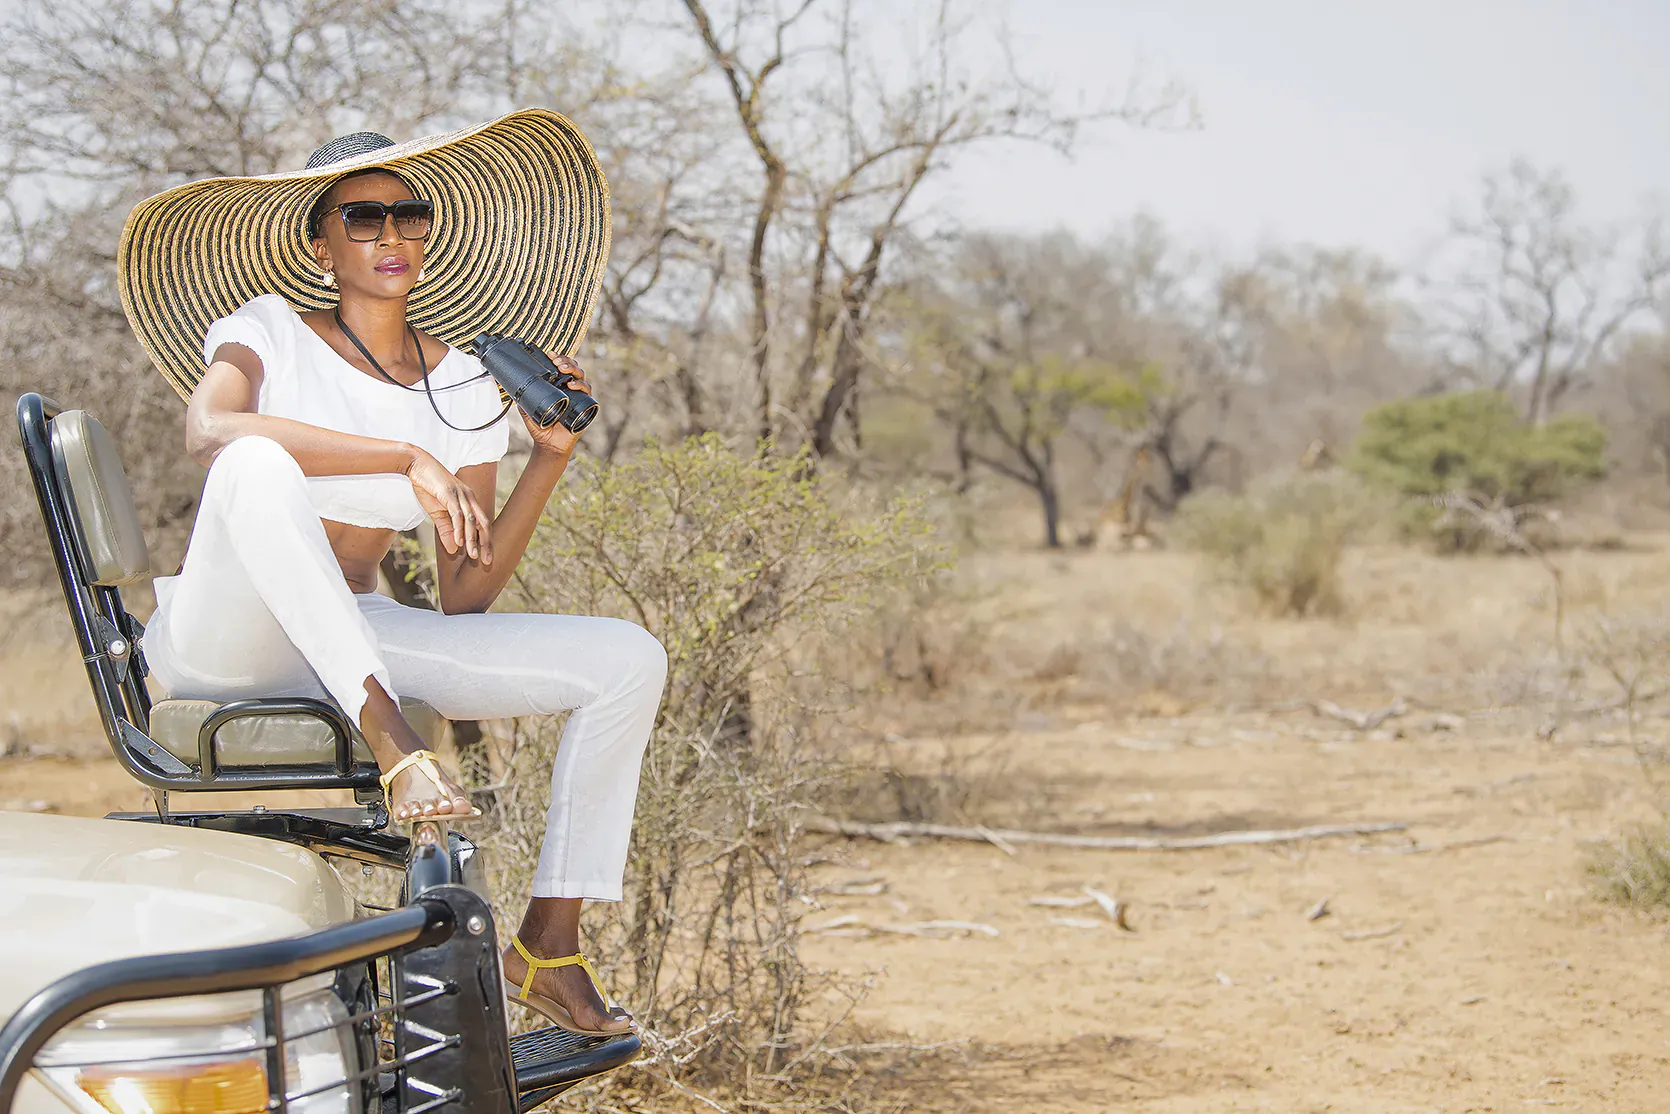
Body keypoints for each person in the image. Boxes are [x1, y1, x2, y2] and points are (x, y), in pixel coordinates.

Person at [115, 112, 661, 1037]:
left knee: (629, 659)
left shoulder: (462, 386)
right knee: (255, 463)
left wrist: (548, 459)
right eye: (362, 218)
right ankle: (395, 745)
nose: (391, 236)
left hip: (364, 629)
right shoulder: (268, 331)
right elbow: (210, 433)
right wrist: (403, 456)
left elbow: (467, 598)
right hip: (233, 640)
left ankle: (549, 944)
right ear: (319, 241)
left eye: (410, 215)